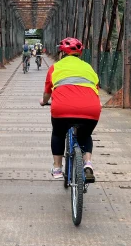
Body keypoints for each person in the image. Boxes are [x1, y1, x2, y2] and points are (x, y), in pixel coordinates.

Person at [40, 37, 101, 182]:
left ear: (62, 53)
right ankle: (88, 164)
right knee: (85, 135)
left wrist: (44, 101)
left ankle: (57, 168)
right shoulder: (89, 68)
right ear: (79, 54)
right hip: (91, 109)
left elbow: (47, 92)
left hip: (62, 109)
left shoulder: (55, 67)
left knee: (58, 133)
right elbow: (95, 89)